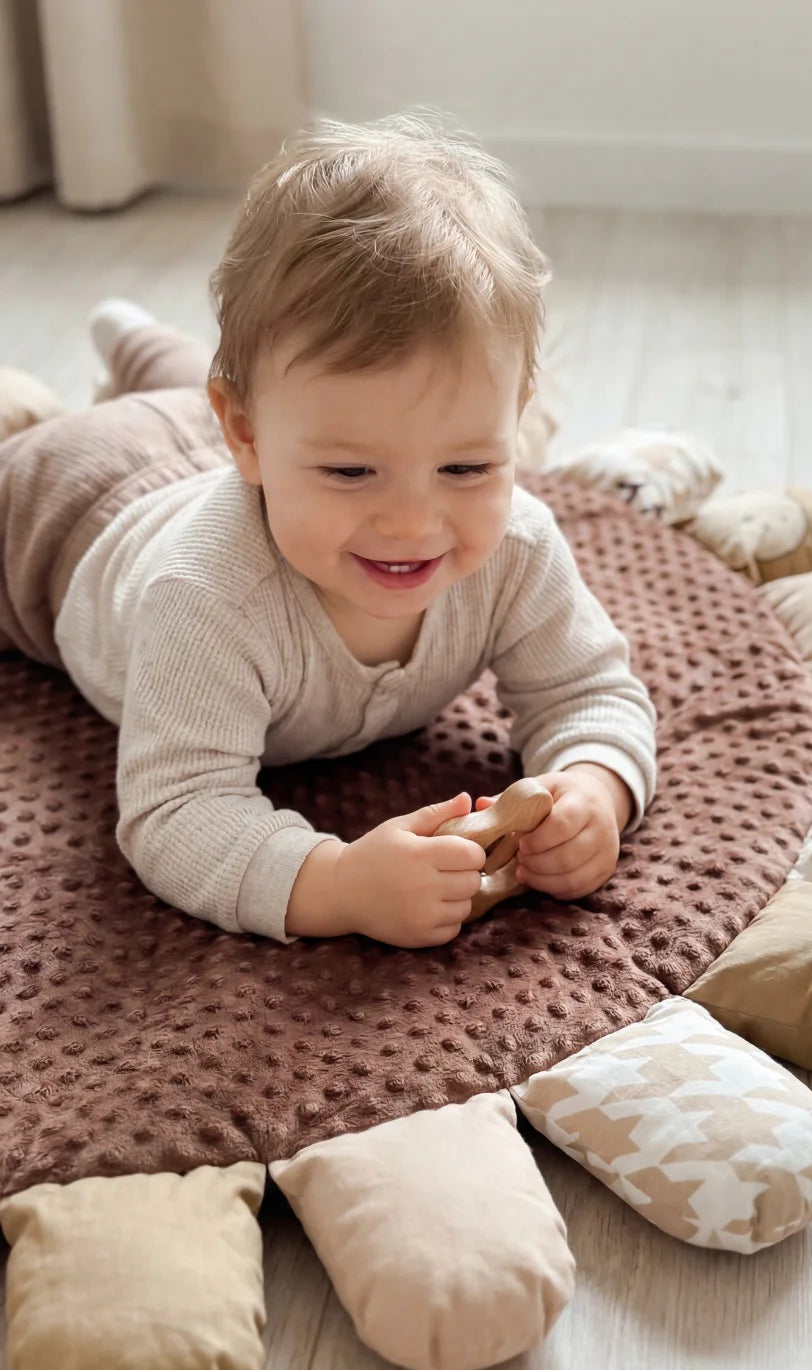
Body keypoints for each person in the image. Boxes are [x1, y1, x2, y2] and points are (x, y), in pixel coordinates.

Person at [0, 113, 657, 948]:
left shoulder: (518, 548)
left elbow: (591, 694)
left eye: (466, 468)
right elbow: (176, 811)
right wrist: (337, 884)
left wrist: (594, 789)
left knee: (190, 400)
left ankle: (138, 343)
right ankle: (130, 354)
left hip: (215, 441)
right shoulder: (205, 599)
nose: (415, 523)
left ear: (515, 423)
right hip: (69, 508)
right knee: (119, 427)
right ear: (247, 438)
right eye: (351, 473)